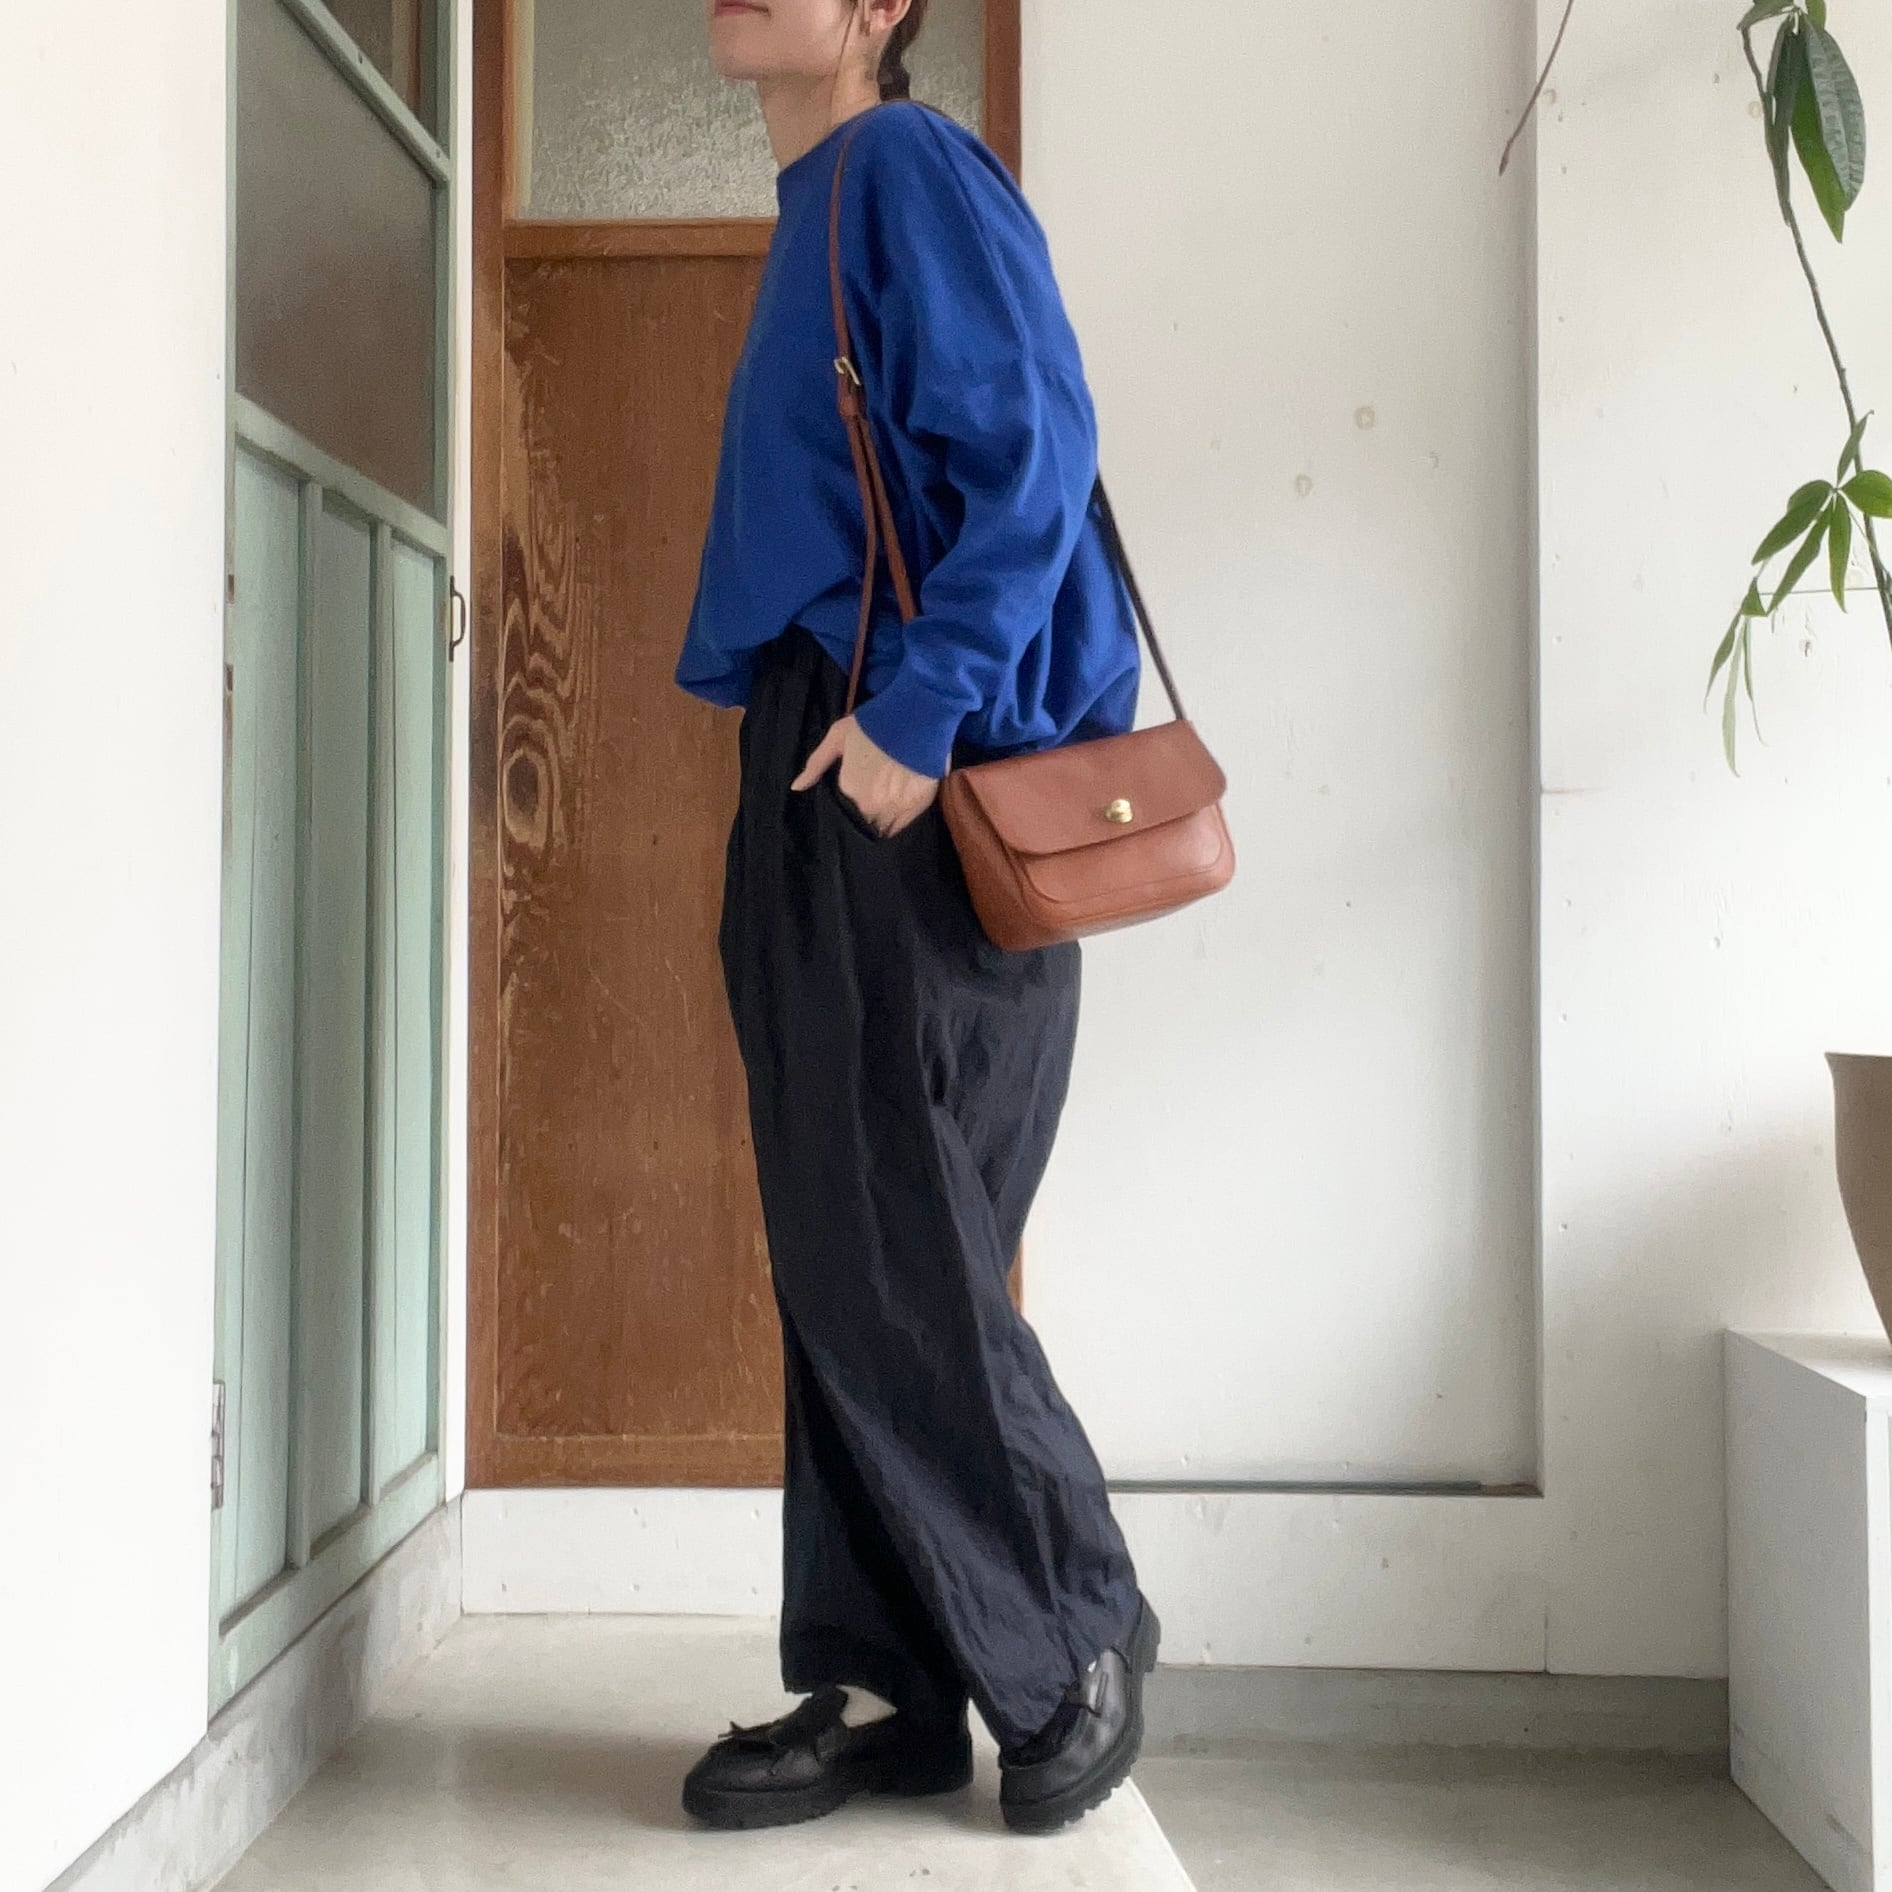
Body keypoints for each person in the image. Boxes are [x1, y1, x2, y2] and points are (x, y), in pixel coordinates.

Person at [673, 0, 1160, 1837]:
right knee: (858, 1245)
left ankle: (1071, 1624)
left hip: (896, 763)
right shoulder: (827, 196)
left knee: (883, 1240)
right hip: (843, 743)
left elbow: (1036, 447)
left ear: (882, 9)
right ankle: (890, 1676)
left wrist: (919, 707)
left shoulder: (899, 165)